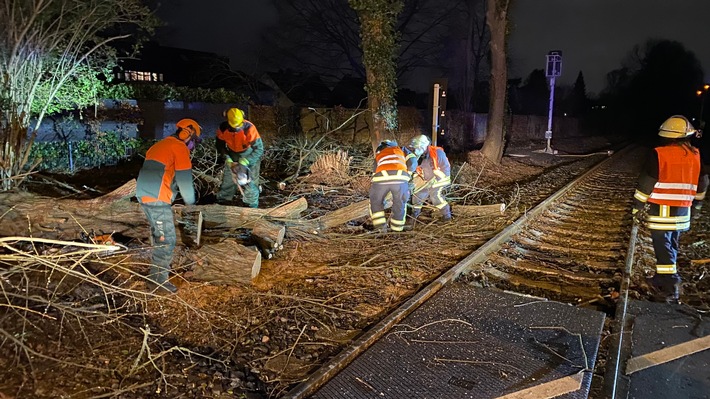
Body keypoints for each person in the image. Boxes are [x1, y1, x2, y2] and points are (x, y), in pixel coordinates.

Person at [633, 115, 708, 303]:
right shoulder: (695, 155)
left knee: (662, 245)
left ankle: (670, 286)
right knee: (671, 242)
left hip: (662, 209)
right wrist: (697, 204)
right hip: (683, 210)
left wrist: (638, 207)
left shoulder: (660, 154)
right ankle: (662, 278)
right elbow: (703, 181)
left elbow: (646, 182)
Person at [136, 118, 202, 294]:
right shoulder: (179, 148)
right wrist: (190, 203)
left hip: (145, 194)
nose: (192, 145)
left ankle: (155, 278)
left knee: (160, 237)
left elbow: (165, 173)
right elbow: (184, 179)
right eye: (193, 141)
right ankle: (157, 282)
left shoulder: (160, 145)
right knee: (166, 240)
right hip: (156, 199)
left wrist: (170, 195)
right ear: (187, 134)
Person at [216, 107, 264, 208]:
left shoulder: (249, 128)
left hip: (249, 153)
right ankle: (223, 203)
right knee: (229, 180)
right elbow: (220, 145)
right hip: (232, 154)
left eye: (239, 125)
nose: (237, 128)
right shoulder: (223, 128)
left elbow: (259, 149)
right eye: (234, 126)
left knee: (249, 181)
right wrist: (227, 158)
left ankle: (251, 206)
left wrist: (247, 161)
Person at [369, 140, 414, 233]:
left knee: (375, 202)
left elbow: (374, 171)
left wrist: (377, 185)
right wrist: (407, 175)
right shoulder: (402, 150)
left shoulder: (379, 154)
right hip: (400, 178)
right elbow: (413, 162)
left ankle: (380, 229)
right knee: (400, 203)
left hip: (380, 178)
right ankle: (397, 231)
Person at [408, 134, 452, 222]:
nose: (416, 151)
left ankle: (447, 216)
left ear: (424, 146)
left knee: (435, 196)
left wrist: (437, 180)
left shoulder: (437, 153)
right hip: (427, 180)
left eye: (418, 148)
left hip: (440, 179)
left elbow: (446, 168)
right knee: (417, 195)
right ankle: (414, 216)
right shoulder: (417, 157)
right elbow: (415, 170)